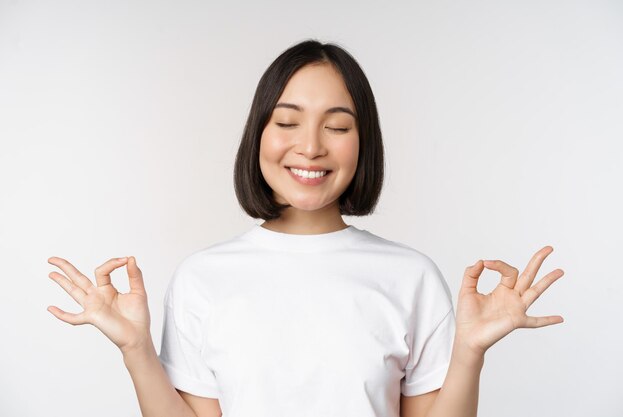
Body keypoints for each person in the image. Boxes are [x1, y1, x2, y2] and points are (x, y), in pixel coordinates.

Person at [46, 39, 565, 417]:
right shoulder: (203, 277)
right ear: (259, 135)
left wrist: (468, 353)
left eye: (337, 126)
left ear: (364, 145)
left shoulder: (409, 276)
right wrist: (136, 350)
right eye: (288, 122)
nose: (311, 146)